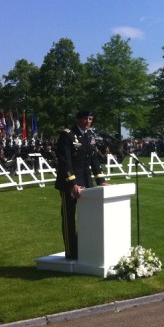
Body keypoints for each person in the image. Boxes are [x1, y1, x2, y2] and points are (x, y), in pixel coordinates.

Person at [55, 110, 107, 260]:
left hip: (86, 182)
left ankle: (84, 247)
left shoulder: (90, 135)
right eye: (85, 118)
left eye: (90, 119)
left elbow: (94, 159)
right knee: (69, 217)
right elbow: (65, 160)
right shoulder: (67, 134)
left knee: (88, 217)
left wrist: (100, 180)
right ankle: (71, 252)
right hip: (69, 183)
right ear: (78, 119)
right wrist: (73, 183)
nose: (88, 121)